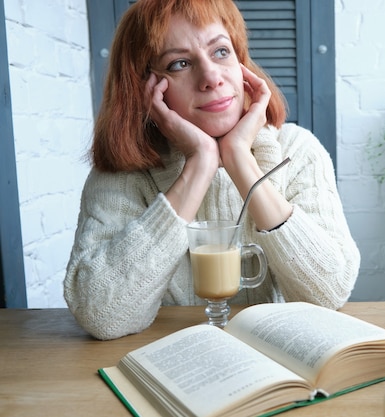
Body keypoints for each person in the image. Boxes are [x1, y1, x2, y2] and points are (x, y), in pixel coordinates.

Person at [64, 0, 360, 340]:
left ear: (242, 65)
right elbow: (101, 315)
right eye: (179, 63)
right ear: (144, 89)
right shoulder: (124, 173)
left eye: (221, 52)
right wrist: (200, 164)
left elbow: (329, 293)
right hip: (166, 367)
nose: (211, 77)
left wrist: (239, 160)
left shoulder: (298, 151)